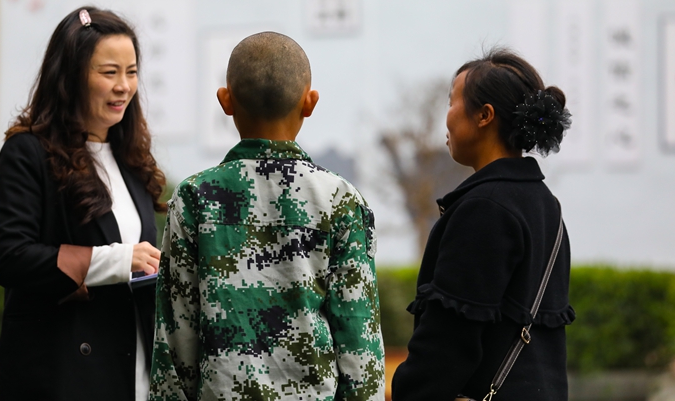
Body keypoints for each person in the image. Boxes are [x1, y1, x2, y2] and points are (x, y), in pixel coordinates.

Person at [148, 32, 385, 401]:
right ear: (310, 103)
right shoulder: (340, 200)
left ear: (225, 101)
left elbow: (176, 337)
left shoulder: (195, 198)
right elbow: (359, 342)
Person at [0, 7, 166, 401]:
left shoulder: (131, 160)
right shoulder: (27, 153)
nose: (124, 86)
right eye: (109, 72)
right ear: (70, 77)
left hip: (131, 376)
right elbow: (10, 256)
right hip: (58, 378)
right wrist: (119, 261)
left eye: (132, 72)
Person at [391, 48, 575, 401]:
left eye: (451, 102)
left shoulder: (484, 209)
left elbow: (448, 343)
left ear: (484, 116)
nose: (445, 119)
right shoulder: (546, 204)